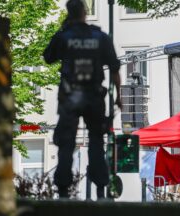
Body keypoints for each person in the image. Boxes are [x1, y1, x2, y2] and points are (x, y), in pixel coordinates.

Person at [43, 0, 121, 199]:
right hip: (94, 97)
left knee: (66, 143)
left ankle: (62, 191)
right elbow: (114, 68)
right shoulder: (100, 37)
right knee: (96, 142)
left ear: (69, 13)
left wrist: (62, 29)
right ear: (85, 12)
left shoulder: (64, 36)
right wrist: (118, 97)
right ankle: (101, 190)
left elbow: (48, 57)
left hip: (70, 97)